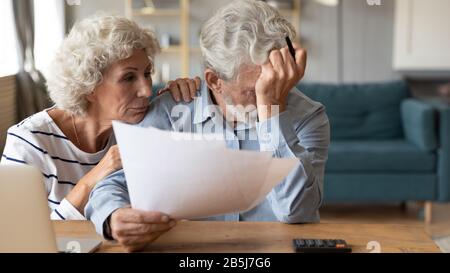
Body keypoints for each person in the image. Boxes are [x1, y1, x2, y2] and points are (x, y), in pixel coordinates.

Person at [86, 0, 330, 252]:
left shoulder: (308, 117)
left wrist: (273, 110)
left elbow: (297, 212)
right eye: (253, 91)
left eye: (272, 82)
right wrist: (114, 217)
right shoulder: (170, 112)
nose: (265, 95)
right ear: (214, 81)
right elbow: (112, 185)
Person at [1, 14, 200, 222]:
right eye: (129, 77)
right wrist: (95, 177)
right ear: (89, 86)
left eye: (147, 73)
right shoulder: (29, 142)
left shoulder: (138, 125)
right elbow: (15, 237)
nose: (146, 90)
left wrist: (185, 99)